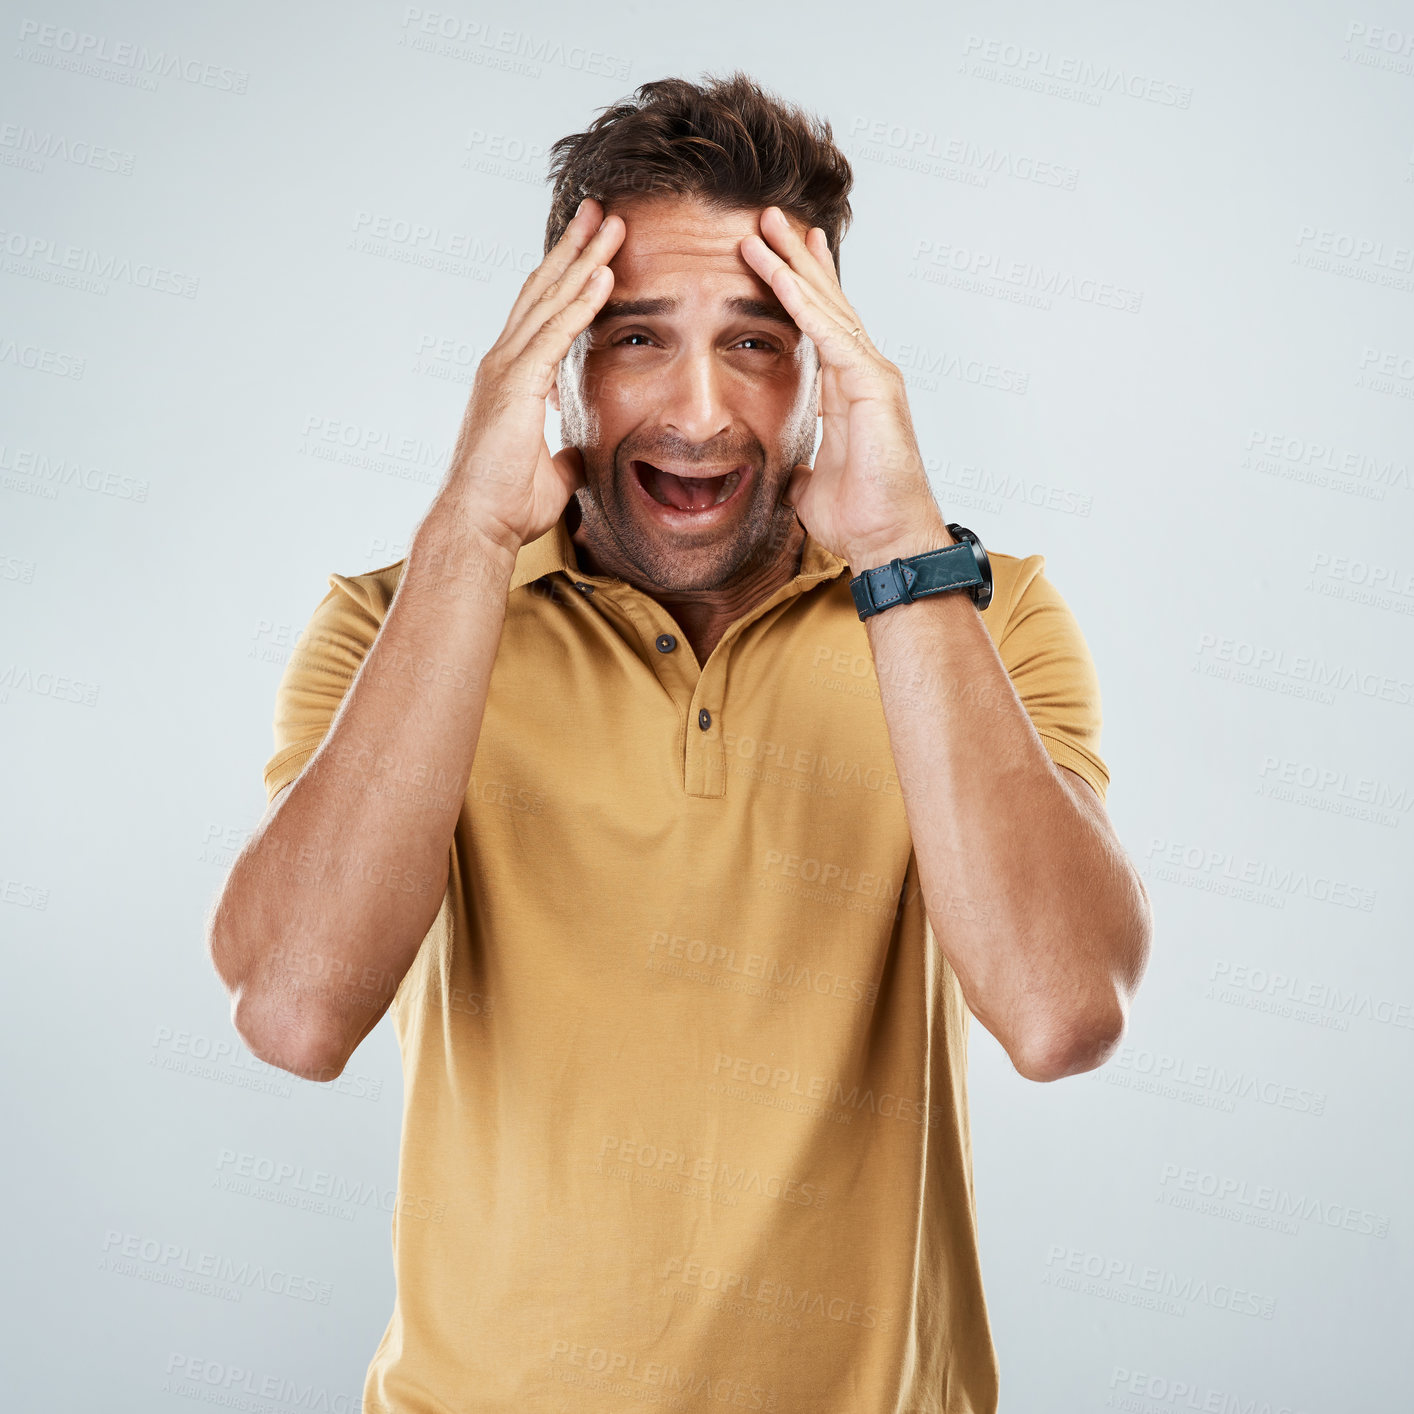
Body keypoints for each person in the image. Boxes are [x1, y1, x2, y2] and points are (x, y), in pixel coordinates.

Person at [208, 70, 1151, 1414]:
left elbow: (1060, 1013)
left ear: (827, 366)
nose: (701, 411)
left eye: (761, 340)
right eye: (636, 336)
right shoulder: (391, 622)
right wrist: (468, 536)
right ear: (555, 362)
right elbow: (296, 1010)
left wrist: (895, 548)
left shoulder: (979, 614)